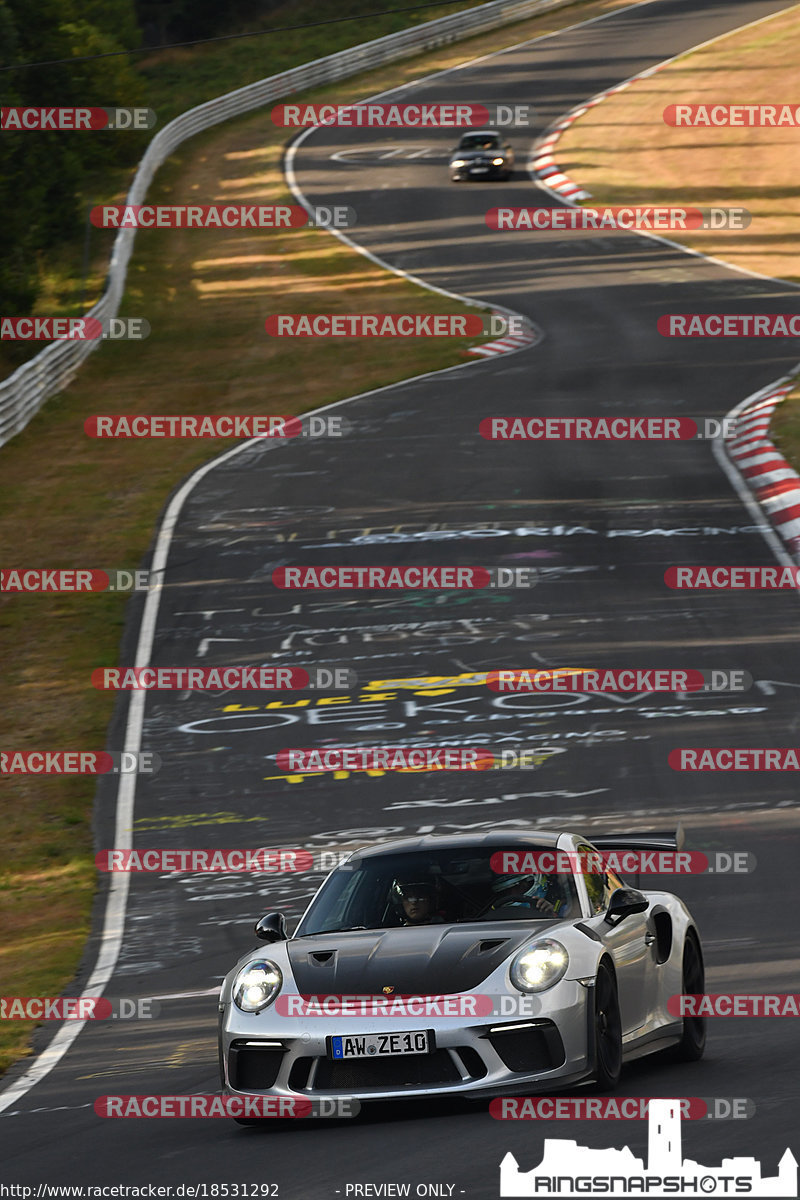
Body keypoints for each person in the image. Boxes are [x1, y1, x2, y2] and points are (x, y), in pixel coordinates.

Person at [489, 872, 568, 916]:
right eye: (506, 891)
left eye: (518, 887)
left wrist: (552, 913)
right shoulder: (494, 915)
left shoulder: (565, 908)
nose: (512, 894)